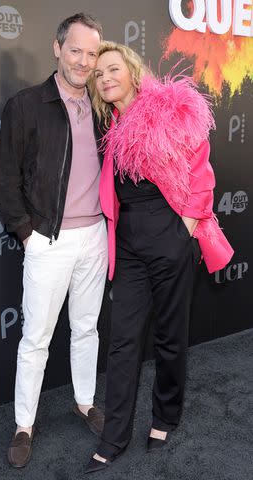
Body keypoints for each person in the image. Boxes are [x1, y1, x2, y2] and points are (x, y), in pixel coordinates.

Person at [84, 41, 234, 473]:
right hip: (129, 245)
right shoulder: (111, 124)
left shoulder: (170, 110)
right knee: (123, 341)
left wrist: (181, 234)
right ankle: (114, 438)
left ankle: (165, 417)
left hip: (169, 235)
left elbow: (201, 176)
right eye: (98, 74)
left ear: (132, 70)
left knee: (170, 338)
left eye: (112, 69)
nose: (105, 77)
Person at [0, 13, 108, 468]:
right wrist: (29, 236)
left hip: (96, 236)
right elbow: (6, 180)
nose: (84, 61)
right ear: (57, 49)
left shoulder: (105, 107)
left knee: (86, 328)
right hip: (48, 240)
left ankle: (85, 401)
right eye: (76, 50)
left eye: (93, 53)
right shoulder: (26, 105)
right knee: (36, 340)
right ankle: (24, 424)